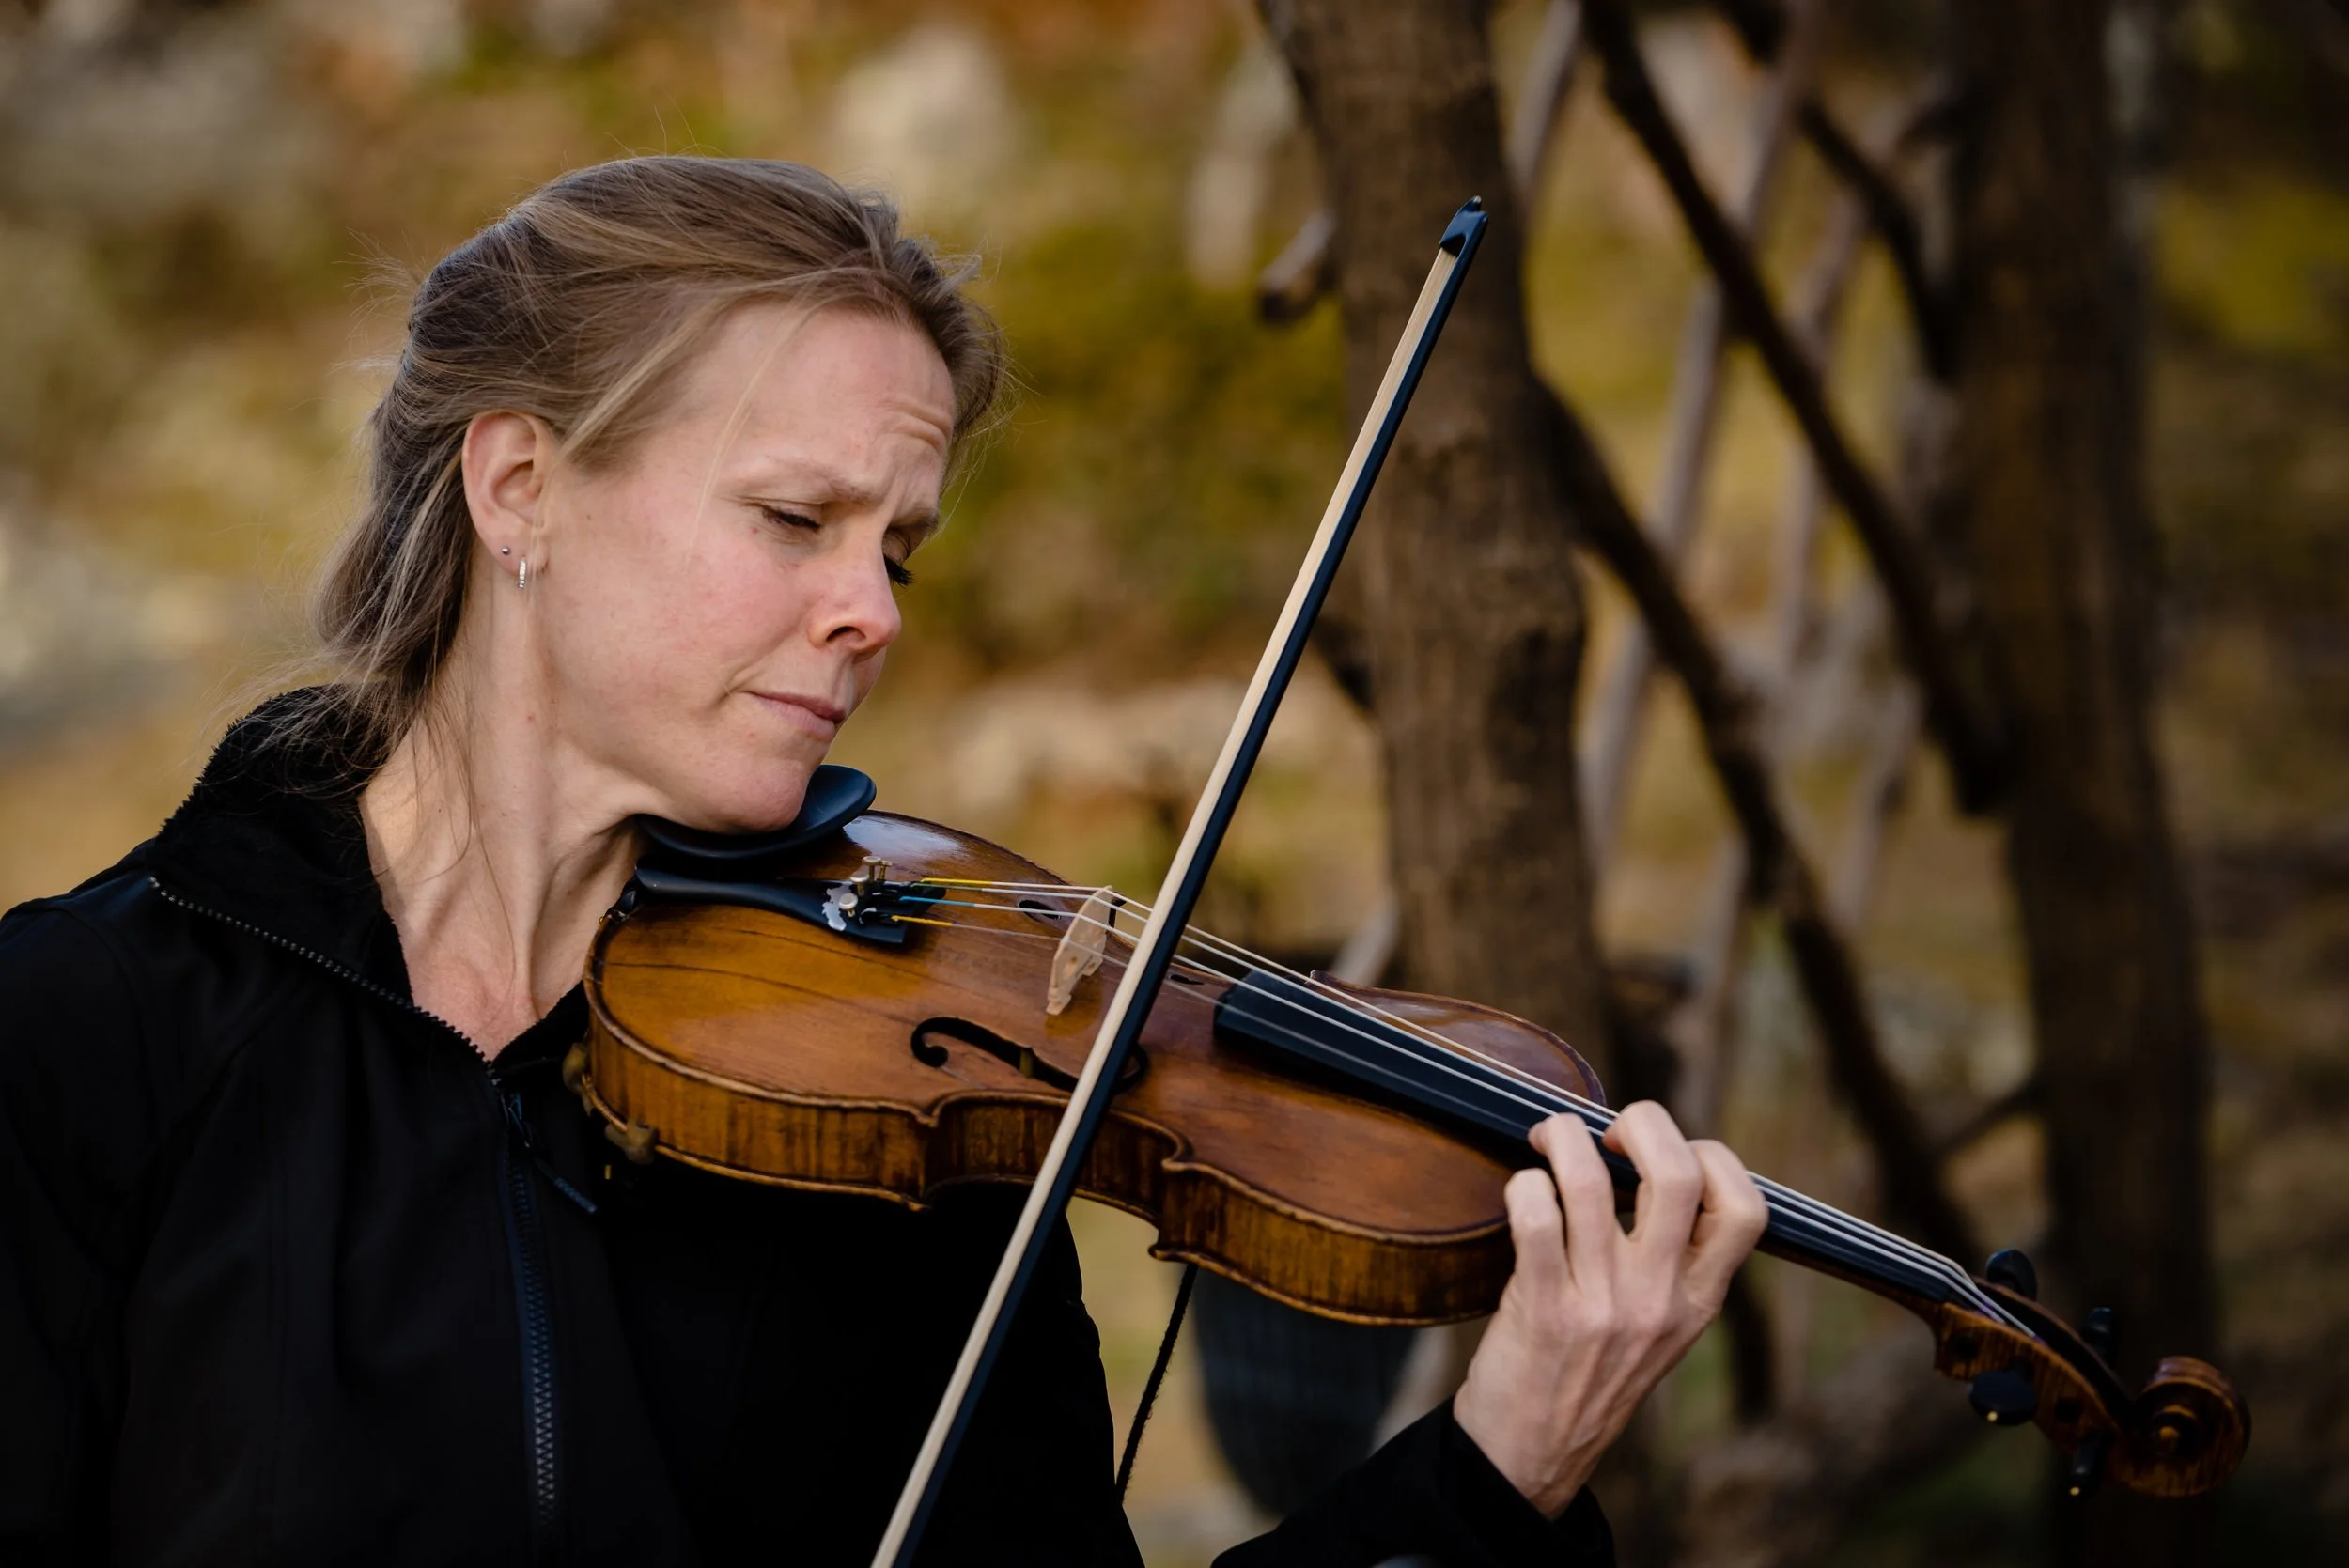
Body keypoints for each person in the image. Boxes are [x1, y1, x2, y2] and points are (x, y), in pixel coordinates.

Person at [0, 156, 1768, 1566]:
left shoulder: (903, 1119)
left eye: (901, 551)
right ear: (519, 486)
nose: (870, 613)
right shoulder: (86, 1036)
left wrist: (1490, 1477)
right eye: (796, 521)